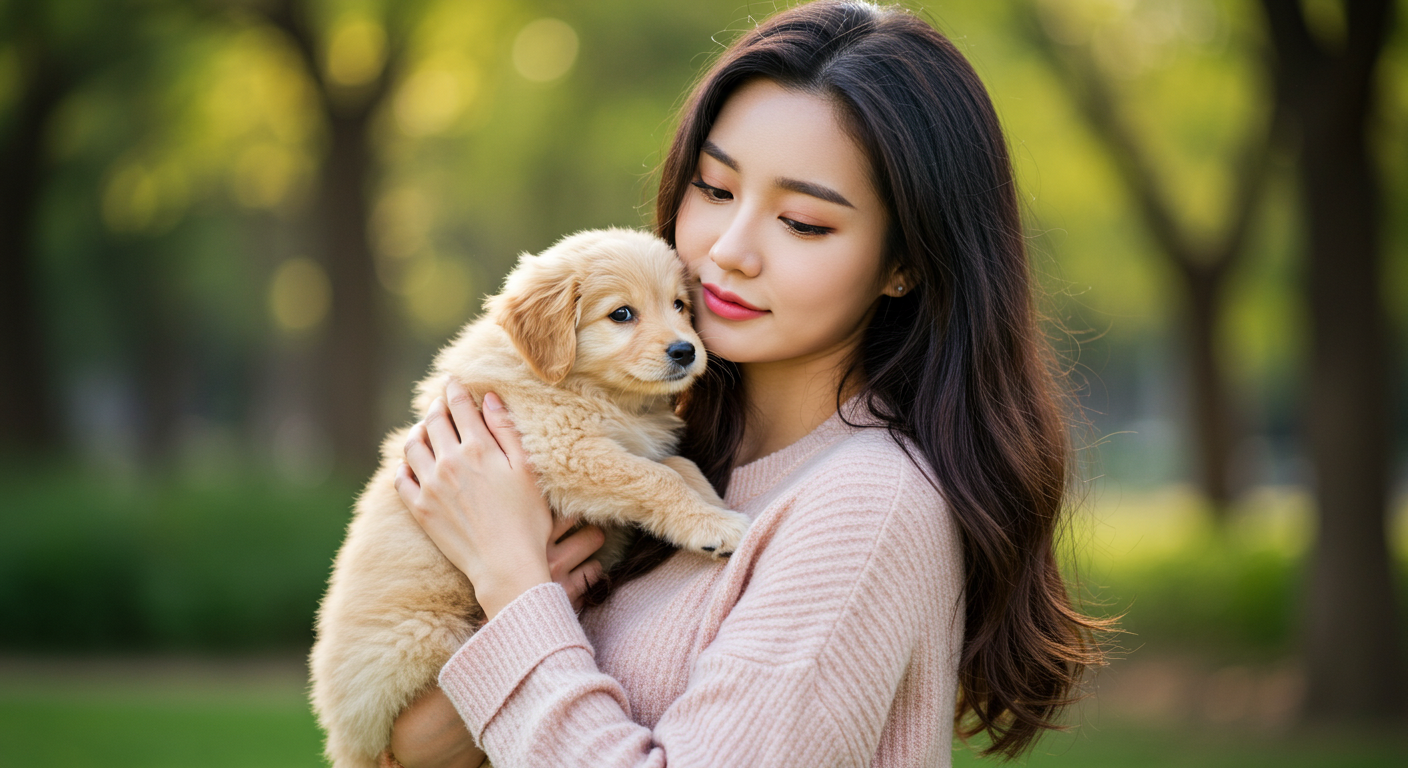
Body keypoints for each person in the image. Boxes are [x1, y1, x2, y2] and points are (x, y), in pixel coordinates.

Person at [387, 2, 1107, 766]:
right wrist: (529, 593)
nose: (729, 251)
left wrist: (509, 575)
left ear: (906, 265)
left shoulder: (866, 508)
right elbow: (411, 749)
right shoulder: (658, 445)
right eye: (715, 189)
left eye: (802, 222)